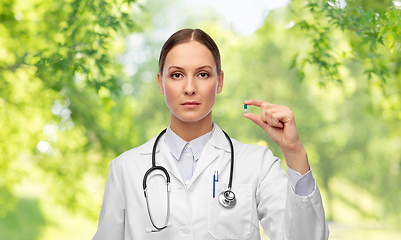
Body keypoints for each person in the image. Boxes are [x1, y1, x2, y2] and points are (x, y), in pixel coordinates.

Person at [92, 28, 329, 240]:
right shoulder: (126, 168)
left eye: (203, 74)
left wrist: (294, 151)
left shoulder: (257, 164)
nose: (190, 88)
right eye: (176, 75)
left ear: (220, 82)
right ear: (161, 83)